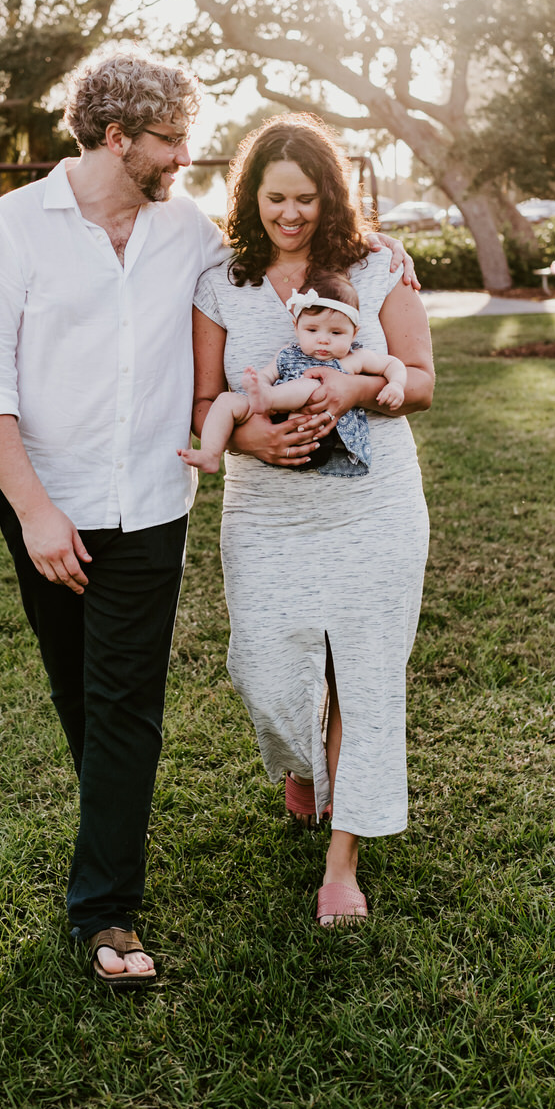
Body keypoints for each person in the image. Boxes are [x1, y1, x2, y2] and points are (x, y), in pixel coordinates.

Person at [0, 54, 415, 986]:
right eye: (169, 140)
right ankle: (114, 829)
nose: (183, 156)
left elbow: (282, 256)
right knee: (81, 699)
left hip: (152, 505)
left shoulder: (187, 232)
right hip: (48, 506)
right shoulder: (11, 229)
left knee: (124, 704)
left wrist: (381, 265)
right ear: (117, 136)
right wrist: (35, 513)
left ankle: (105, 911)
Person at [191, 113, 434, 927]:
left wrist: (356, 388)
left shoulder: (376, 266)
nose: (290, 214)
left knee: (362, 675)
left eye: (305, 198)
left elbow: (421, 379)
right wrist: (250, 439)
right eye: (274, 199)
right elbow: (202, 398)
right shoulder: (221, 281)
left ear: (330, 194)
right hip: (267, 513)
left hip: (373, 503)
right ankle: (302, 762)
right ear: (250, 199)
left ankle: (341, 865)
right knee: (263, 671)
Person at [178, 272, 405, 476]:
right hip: (269, 418)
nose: (323, 339)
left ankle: (268, 398)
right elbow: (267, 375)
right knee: (226, 400)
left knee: (312, 383)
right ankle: (210, 453)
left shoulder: (354, 358)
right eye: (312, 330)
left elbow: (392, 364)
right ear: (296, 327)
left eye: (336, 332)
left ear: (354, 333)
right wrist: (259, 384)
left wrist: (395, 384)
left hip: (312, 435)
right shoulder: (287, 353)